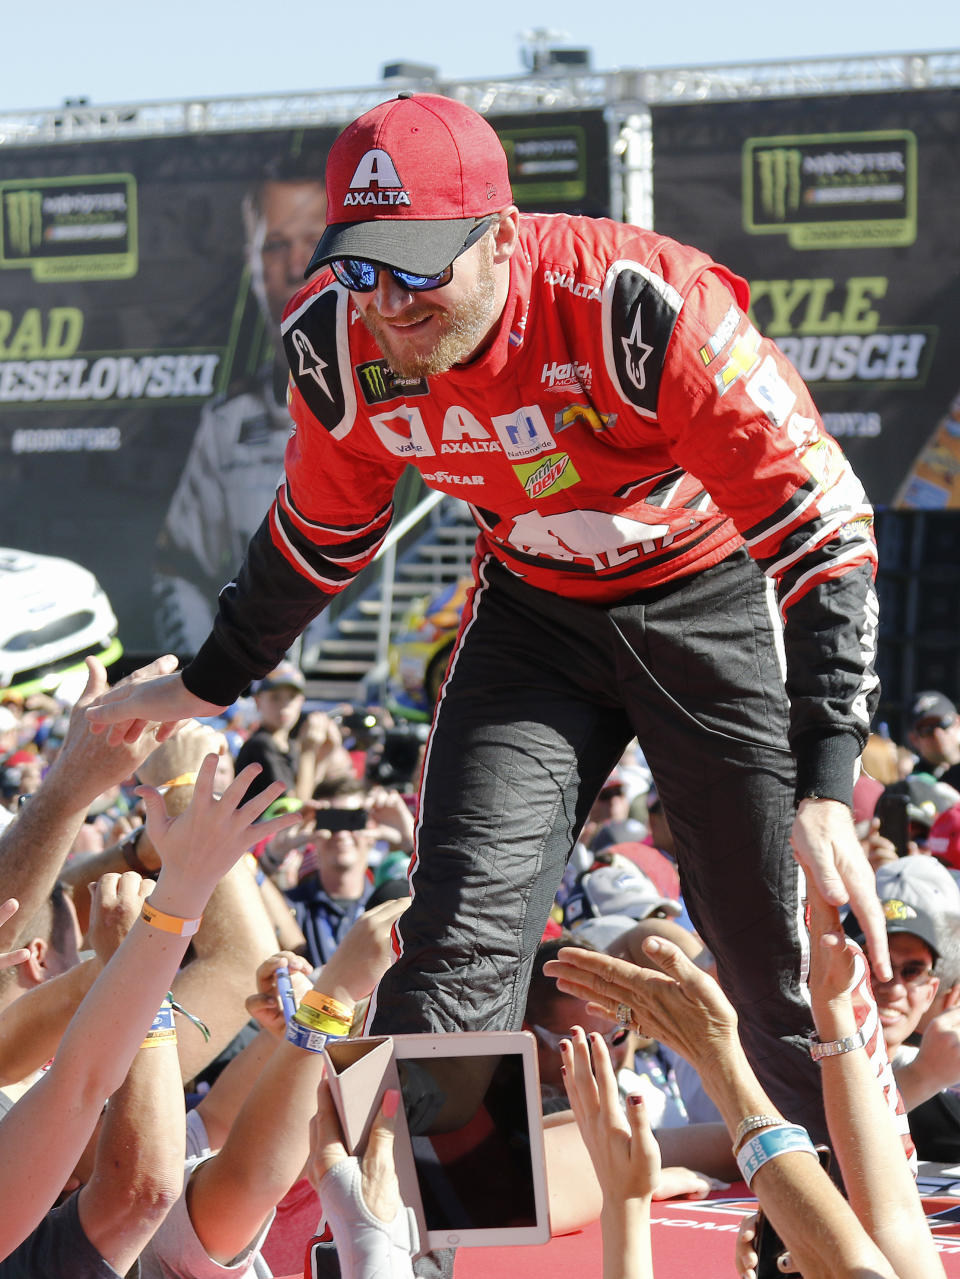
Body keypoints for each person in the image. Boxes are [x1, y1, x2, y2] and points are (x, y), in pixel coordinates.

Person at [86, 92, 888, 1150]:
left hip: (707, 596)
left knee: (764, 939)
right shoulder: (338, 342)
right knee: (453, 937)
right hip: (536, 617)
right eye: (361, 265)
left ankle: (837, 1222)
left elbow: (822, 521)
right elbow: (320, 535)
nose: (390, 302)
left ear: (503, 236)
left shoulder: (635, 306)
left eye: (420, 265)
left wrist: (827, 782)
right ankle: (420, 1240)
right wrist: (205, 679)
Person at [154, 165, 328, 652]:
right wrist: (211, 670)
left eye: (313, 241)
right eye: (275, 245)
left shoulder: (411, 392)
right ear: (252, 265)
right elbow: (178, 570)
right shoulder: (226, 423)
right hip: (251, 675)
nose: (296, 265)